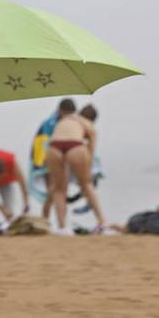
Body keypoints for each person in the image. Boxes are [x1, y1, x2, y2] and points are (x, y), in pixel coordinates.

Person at [46, 98, 106, 233]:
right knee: (86, 183)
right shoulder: (87, 124)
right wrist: (87, 172)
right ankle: (101, 221)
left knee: (59, 189)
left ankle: (62, 228)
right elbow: (90, 152)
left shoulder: (64, 120)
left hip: (54, 146)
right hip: (75, 145)